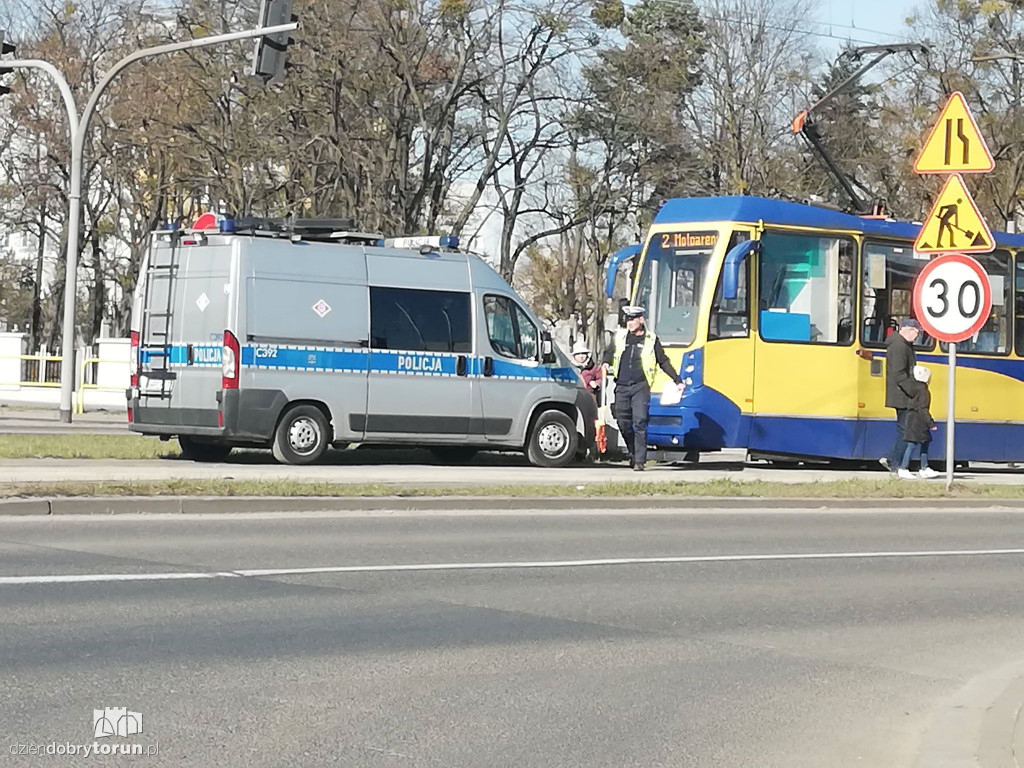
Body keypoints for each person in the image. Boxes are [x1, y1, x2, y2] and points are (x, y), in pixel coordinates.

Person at [602, 306, 685, 471]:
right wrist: (605, 362)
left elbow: (663, 361)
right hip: (622, 386)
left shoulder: (651, 339)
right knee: (623, 422)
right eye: (628, 319)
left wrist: (677, 380)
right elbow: (609, 352)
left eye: (632, 319)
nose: (629, 323)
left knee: (639, 421)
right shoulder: (620, 337)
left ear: (641, 320)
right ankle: (633, 452)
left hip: (640, 386)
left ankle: (640, 460)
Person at [881, 318, 921, 473]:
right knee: (906, 430)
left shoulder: (902, 344)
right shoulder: (899, 346)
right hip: (902, 395)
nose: (917, 336)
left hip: (901, 393)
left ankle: (892, 459)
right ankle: (894, 461)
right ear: (907, 329)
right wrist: (914, 391)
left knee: (904, 428)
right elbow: (899, 374)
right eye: (916, 332)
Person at [898, 365, 940, 479]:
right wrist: (930, 423)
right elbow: (923, 408)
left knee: (923, 442)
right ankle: (904, 468)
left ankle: (924, 467)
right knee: (913, 444)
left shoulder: (914, 388)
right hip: (919, 421)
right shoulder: (924, 390)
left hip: (912, 419)